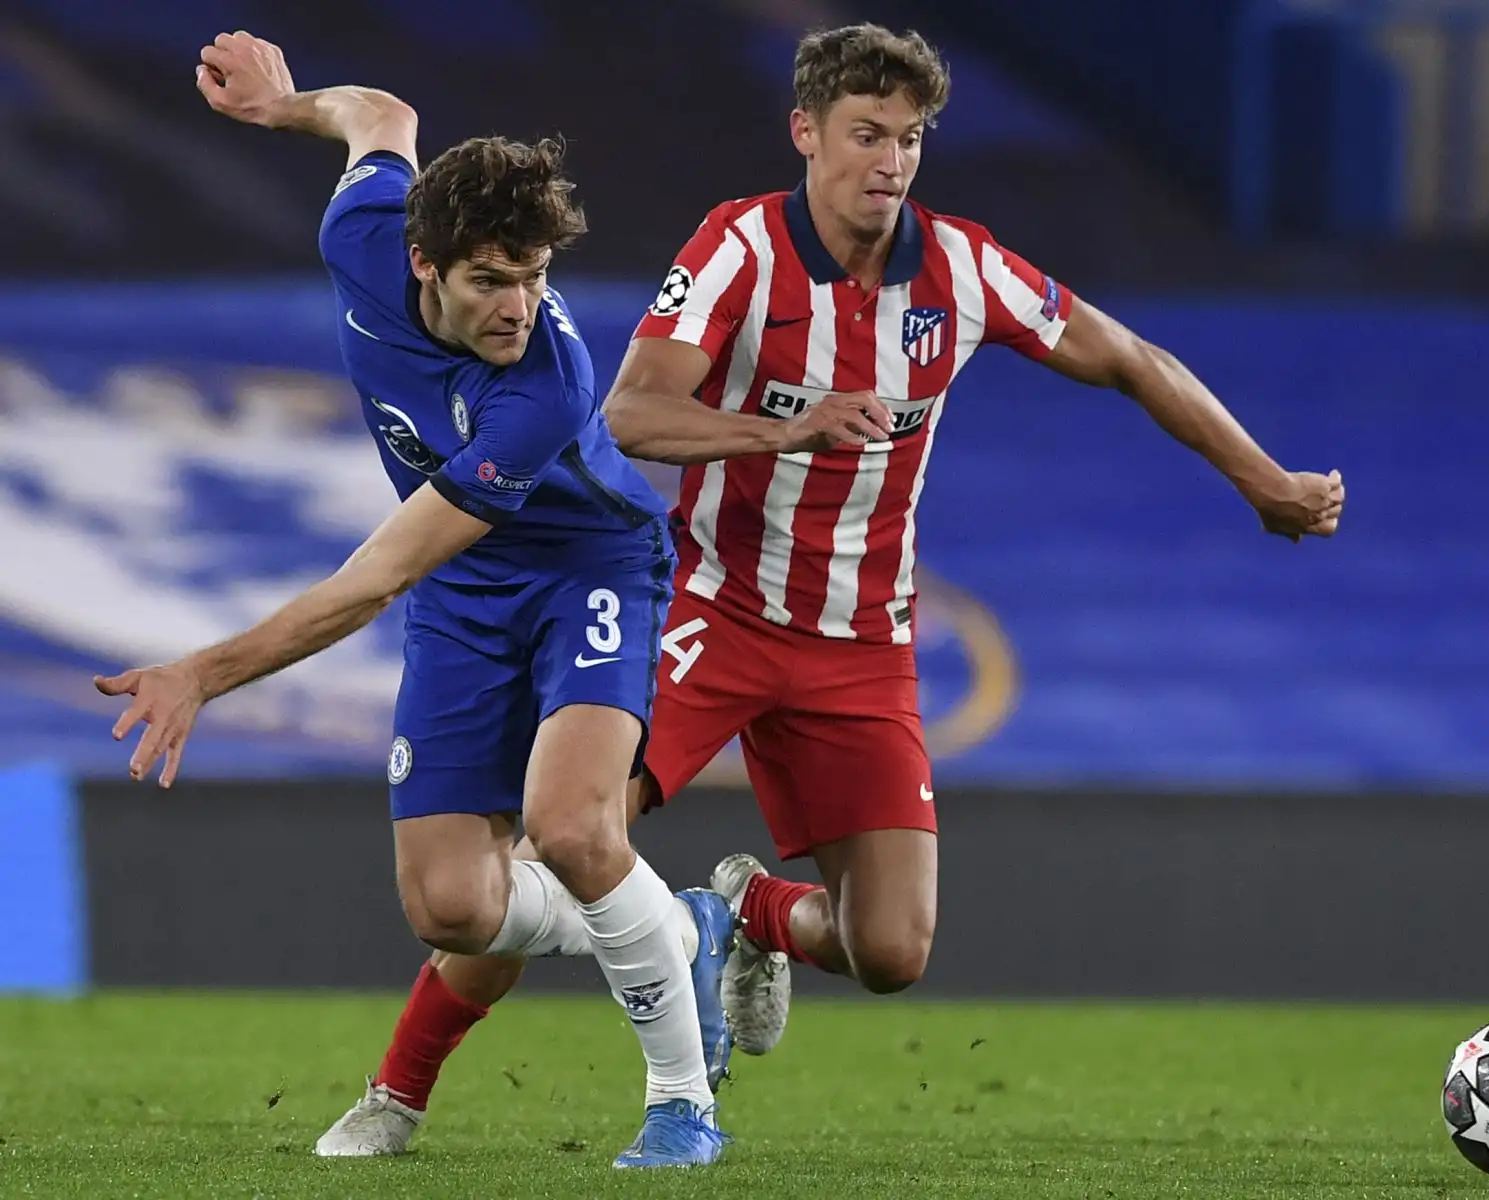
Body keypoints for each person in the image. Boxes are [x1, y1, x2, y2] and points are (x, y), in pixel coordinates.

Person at [321, 21, 1346, 1155]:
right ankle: (400, 1090)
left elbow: (1130, 358)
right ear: (806, 133)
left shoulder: (962, 269)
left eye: (909, 139)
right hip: (711, 609)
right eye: (867, 135)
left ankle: (744, 914)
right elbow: (631, 412)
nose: (891, 162)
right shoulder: (739, 250)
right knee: (564, 840)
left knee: (892, 953)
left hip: (865, 642)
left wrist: (1265, 480)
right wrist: (784, 424)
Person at [97, 31, 736, 1169]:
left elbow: (376, 576)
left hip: (590, 569)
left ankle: (682, 1106)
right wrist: (288, 106)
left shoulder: (541, 389)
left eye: (536, 277)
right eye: (494, 280)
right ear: (424, 265)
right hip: (467, 588)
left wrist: (202, 672)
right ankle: (672, 924)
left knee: (576, 829)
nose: (520, 307)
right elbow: (381, 112)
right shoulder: (360, 234)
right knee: (451, 905)